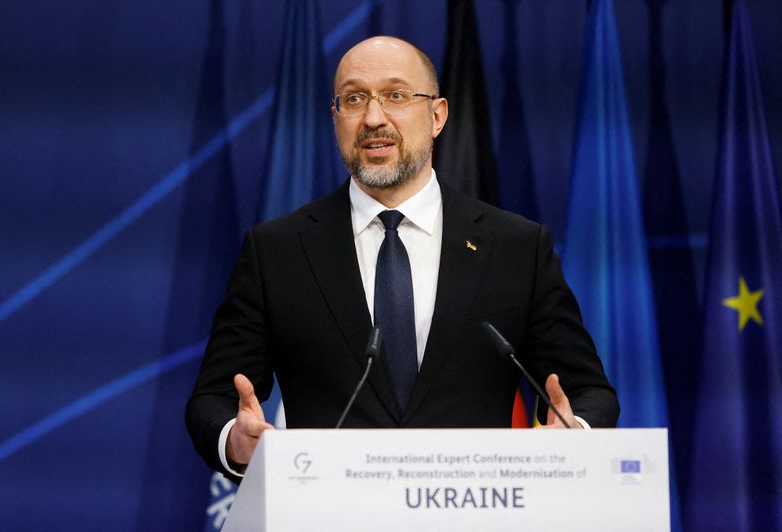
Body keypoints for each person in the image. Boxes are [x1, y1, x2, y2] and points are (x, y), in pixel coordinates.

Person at [186, 36, 618, 480]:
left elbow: (587, 391)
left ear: (437, 116)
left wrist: (572, 434)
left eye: (396, 95)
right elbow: (215, 398)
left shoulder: (517, 247)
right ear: (335, 118)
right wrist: (235, 442)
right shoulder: (277, 250)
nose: (374, 118)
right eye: (354, 99)